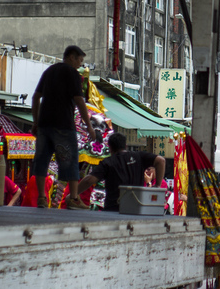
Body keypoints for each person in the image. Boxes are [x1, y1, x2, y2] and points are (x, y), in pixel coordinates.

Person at [31, 45, 98, 210]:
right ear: (71, 57)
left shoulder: (48, 71)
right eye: (79, 61)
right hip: (63, 126)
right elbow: (79, 101)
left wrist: (35, 122)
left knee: (41, 161)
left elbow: (35, 97)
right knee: (69, 161)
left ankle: (41, 197)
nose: (80, 65)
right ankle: (74, 198)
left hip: (44, 125)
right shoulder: (72, 73)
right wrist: (89, 126)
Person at [80, 132, 164, 212]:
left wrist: (74, 194)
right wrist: (157, 185)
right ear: (125, 145)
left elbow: (89, 180)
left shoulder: (108, 162)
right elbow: (161, 160)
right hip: (136, 210)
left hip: (113, 210)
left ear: (110, 148)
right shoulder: (138, 156)